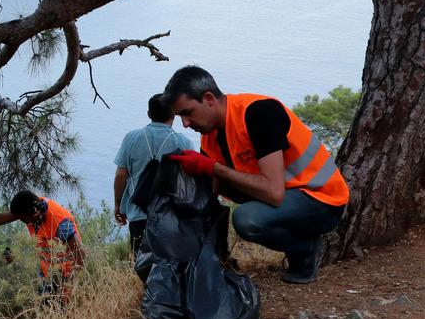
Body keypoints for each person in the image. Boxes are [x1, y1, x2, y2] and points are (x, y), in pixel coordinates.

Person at [160, 65, 350, 284]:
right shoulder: (210, 135)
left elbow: (273, 192)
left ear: (209, 98)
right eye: (180, 117)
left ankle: (305, 250)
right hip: (289, 196)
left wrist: (212, 167)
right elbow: (211, 192)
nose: (185, 124)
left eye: (187, 113)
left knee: (246, 219)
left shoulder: (258, 113)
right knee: (215, 182)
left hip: (323, 200)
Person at [113, 93, 191, 259]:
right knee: (170, 263)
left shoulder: (131, 138)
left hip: (138, 213)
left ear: (149, 114)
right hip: (171, 215)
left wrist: (118, 204)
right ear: (173, 115)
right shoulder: (183, 142)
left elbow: (121, 175)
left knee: (141, 262)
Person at [0, 191, 85, 289]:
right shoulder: (33, 208)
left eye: (22, 218)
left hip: (65, 276)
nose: (21, 221)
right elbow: (0, 218)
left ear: (34, 214)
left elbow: (81, 254)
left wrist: (71, 283)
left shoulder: (60, 223)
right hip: (47, 270)